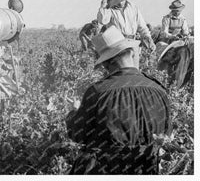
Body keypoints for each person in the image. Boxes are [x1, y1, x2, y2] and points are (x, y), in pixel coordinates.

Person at [65, 25, 171, 175]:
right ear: (131, 53)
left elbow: (78, 135)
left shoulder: (97, 92)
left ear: (105, 64)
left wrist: (74, 112)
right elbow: (166, 136)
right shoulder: (159, 91)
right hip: (146, 170)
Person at [97, 0, 155, 65]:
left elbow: (142, 26)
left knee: (135, 70)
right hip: (117, 46)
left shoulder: (133, 8)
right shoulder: (109, 10)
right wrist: (104, 1)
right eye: (117, 0)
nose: (120, 2)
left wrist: (148, 38)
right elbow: (102, 20)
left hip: (133, 43)